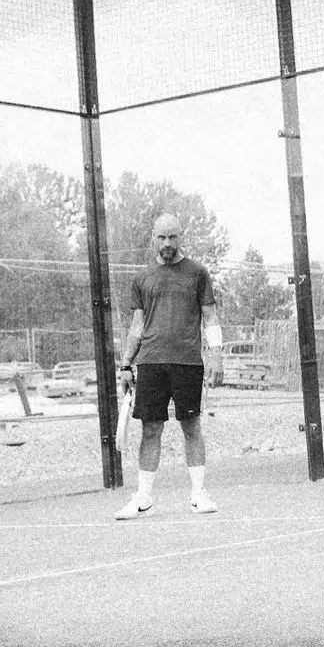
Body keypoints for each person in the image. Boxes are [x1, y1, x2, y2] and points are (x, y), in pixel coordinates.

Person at [113, 214, 224, 520]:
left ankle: (198, 494)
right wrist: (126, 364)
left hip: (187, 361)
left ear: (181, 237)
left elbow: (210, 317)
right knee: (150, 429)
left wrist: (216, 356)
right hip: (150, 362)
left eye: (172, 237)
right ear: (154, 238)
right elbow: (137, 326)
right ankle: (143, 497)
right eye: (161, 238)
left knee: (191, 427)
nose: (167, 244)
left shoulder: (198, 273)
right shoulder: (142, 278)